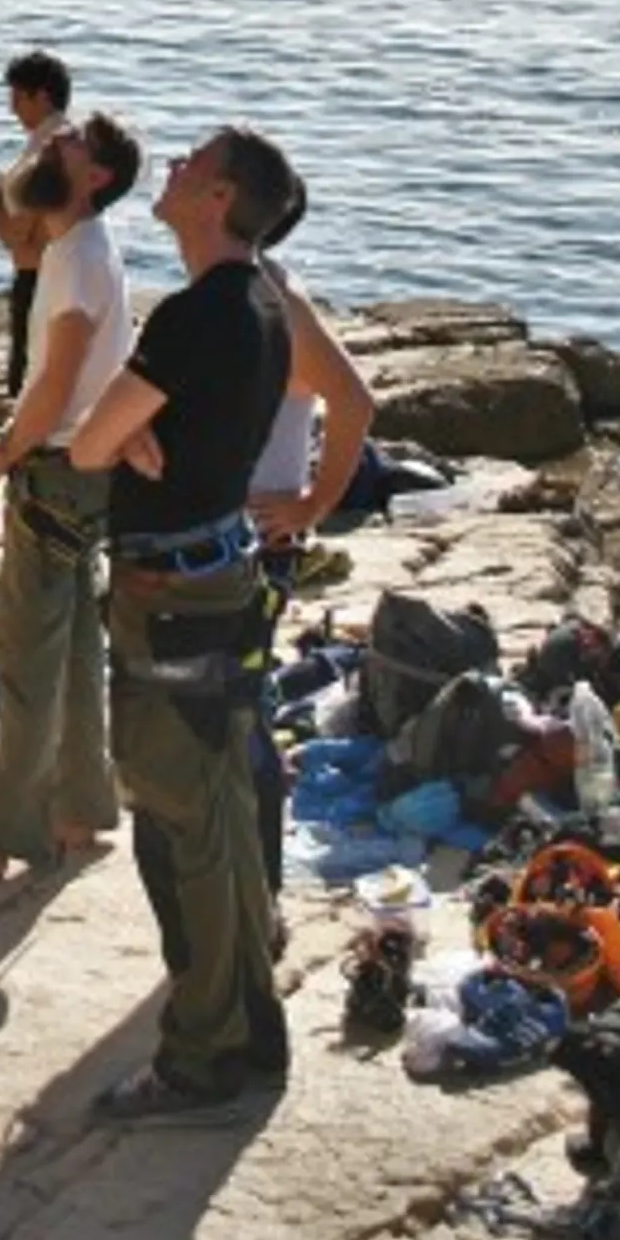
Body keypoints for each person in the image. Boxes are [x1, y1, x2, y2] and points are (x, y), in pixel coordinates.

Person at [68, 123, 306, 1126]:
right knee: (220, 816)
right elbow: (155, 430)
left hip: (173, 598)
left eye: (188, 167)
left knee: (185, 825)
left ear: (220, 200)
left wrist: (128, 437)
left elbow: (87, 445)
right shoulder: (263, 302)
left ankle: (205, 1054)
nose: (166, 171)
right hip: (225, 581)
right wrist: (143, 433)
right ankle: (249, 1024)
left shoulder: (197, 313)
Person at [0, 111, 140, 893]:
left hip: (55, 473)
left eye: (70, 142)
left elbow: (57, 377)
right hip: (83, 471)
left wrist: (0, 456)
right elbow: (14, 211)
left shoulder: (76, 257)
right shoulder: (82, 246)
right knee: (75, 646)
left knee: (26, 660)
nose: (52, 143)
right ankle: (82, 809)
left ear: (97, 176)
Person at [245, 182, 376, 910]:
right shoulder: (240, 286)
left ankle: (255, 892)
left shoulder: (277, 299)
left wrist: (309, 506)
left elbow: (354, 401)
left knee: (243, 713)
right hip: (227, 536)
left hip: (259, 542)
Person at [0, 50, 73, 396]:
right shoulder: (75, 143)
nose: (13, 109)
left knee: (25, 373)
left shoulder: (44, 152)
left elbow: (17, 234)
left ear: (41, 96)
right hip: (64, 269)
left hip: (36, 274)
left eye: (18, 98)